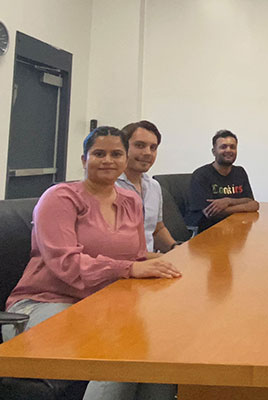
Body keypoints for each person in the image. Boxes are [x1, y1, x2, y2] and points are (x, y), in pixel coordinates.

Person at [1, 126, 181, 400]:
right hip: (45, 303)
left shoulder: (131, 200)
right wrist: (130, 268)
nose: (108, 160)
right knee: (119, 350)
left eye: (116, 154)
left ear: (124, 160)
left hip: (101, 303)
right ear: (85, 159)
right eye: (99, 153)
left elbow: (136, 255)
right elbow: (67, 263)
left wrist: (176, 261)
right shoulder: (60, 198)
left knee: (161, 351)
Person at [116, 120, 178, 253]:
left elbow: (156, 230)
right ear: (122, 147)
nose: (148, 153)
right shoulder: (109, 186)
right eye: (140, 145)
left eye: (153, 148)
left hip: (149, 264)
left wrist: (175, 249)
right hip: (121, 266)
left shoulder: (153, 186)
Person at [185, 129, 259, 232]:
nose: (228, 150)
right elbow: (211, 213)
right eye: (223, 147)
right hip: (207, 234)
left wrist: (228, 201)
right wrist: (243, 205)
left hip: (235, 229)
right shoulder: (201, 175)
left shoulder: (240, 172)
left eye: (232, 147)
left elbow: (254, 204)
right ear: (214, 152)